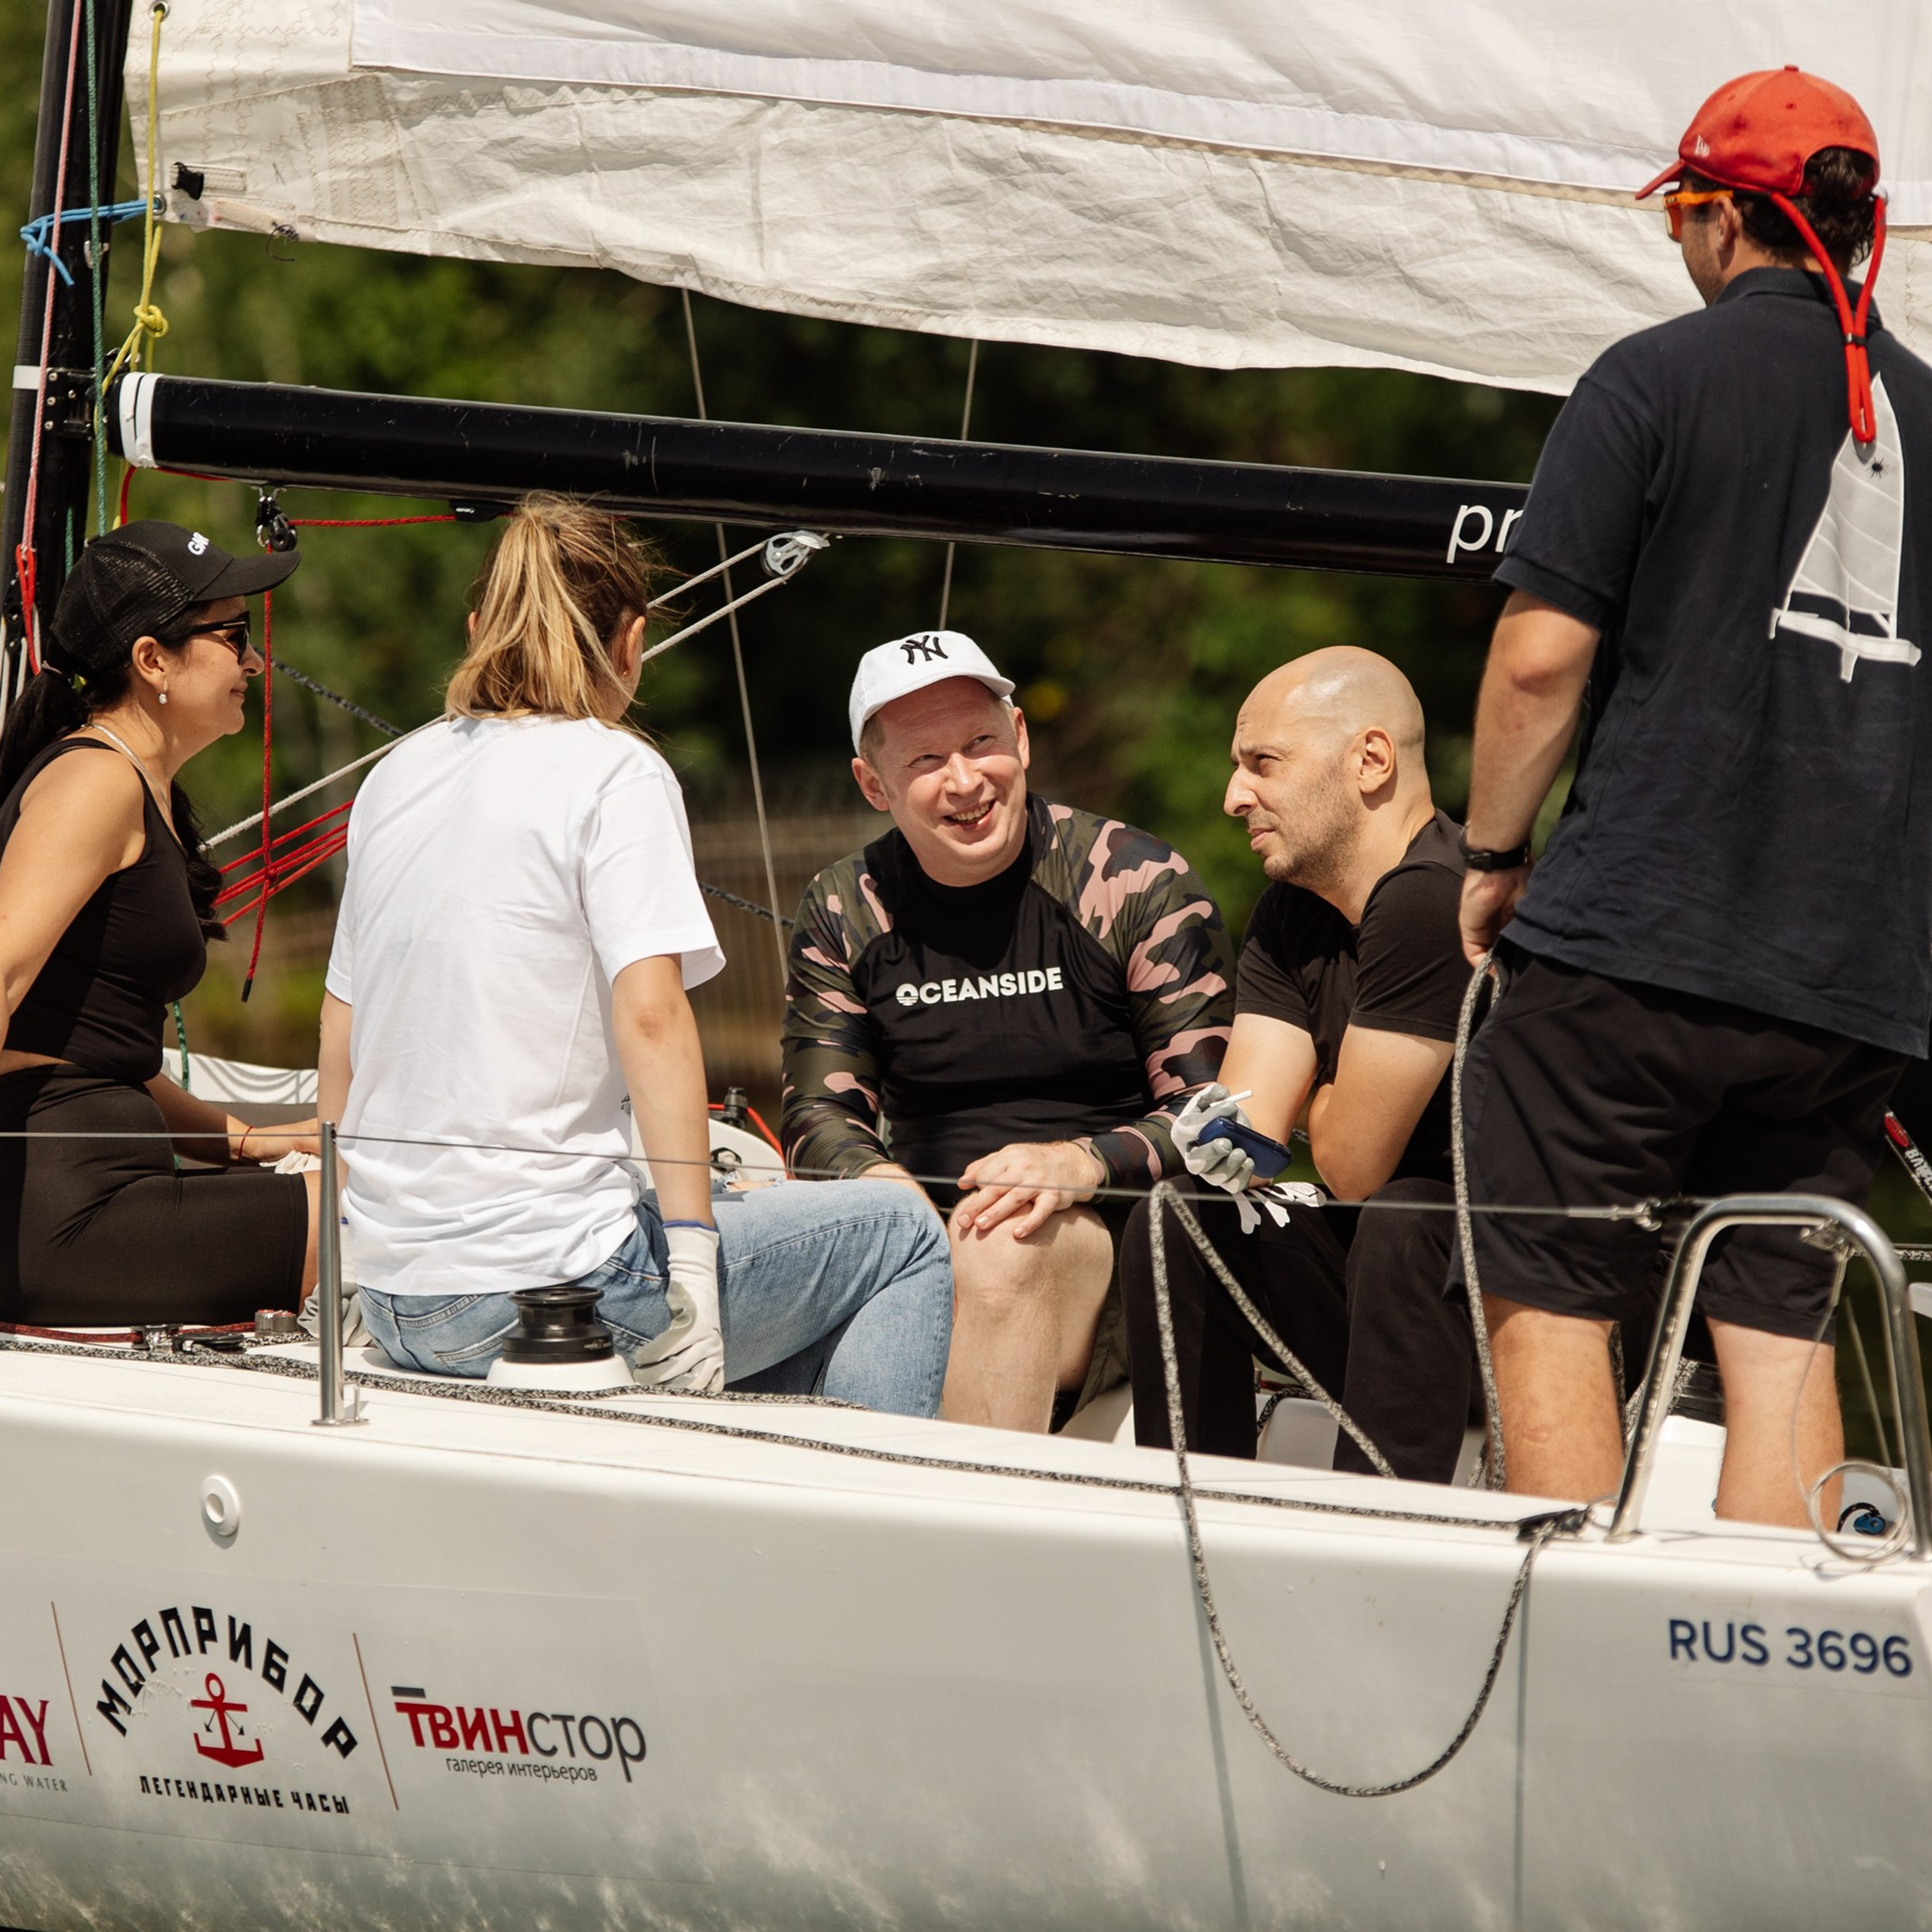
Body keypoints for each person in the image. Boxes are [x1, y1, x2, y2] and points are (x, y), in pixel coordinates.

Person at [1454, 69, 1929, 1526]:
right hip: (1854, 984)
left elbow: (1538, 661)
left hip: (1636, 943)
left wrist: (1490, 850)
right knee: (1780, 1312)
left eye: (1683, 219)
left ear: (1726, 219)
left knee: (1548, 1286)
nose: (1676, 246)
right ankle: (1770, 1678)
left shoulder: (1653, 377)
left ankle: (1584, 1670)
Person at [319, 495, 952, 1411]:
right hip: (550, 1298)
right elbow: (652, 1016)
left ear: (475, 631)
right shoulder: (615, 769)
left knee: (790, 1351)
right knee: (898, 1235)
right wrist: (690, 1267)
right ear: (630, 643)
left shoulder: (393, 776)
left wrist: (337, 1270)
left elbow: (343, 1029)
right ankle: (868, 1528)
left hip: (388, 1299)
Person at [783, 630, 1232, 1432]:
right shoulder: (845, 905)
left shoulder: (1131, 880)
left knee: (994, 1249)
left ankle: (963, 1542)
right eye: (924, 761)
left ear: (1020, 737)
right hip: (925, 1233)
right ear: (872, 783)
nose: (964, 781)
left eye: (981, 742)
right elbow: (818, 1119)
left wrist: (1077, 1162)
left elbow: (1214, 1117)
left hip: (1109, 1241)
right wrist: (900, 1203)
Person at [1118, 648, 1479, 1478]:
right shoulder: (1290, 912)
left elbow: (1350, 1165)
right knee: (1179, 1214)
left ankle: (1373, 1535)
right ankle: (1191, 1517)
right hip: (1380, 1302)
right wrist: (1240, 1131)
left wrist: (1305, 1107)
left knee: (1402, 1211)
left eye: (1262, 764)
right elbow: (1251, 1118)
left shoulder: (1437, 894)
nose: (1232, 796)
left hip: (1506, 1310)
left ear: (1371, 759)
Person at [0, 522, 322, 1325]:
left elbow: (101, 1045)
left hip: (105, 1183)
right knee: (408, 1200)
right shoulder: (93, 783)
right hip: (65, 1213)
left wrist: (249, 1138)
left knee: (376, 1177)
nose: (253, 661)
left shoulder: (143, 791)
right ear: (153, 661)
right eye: (233, 635)